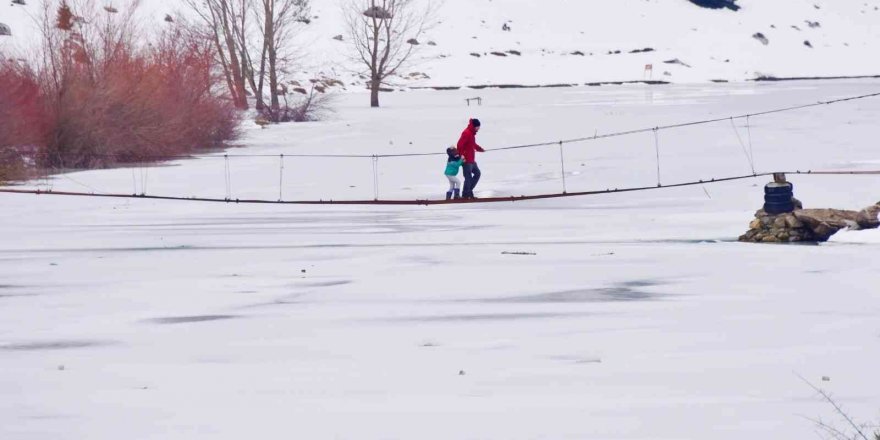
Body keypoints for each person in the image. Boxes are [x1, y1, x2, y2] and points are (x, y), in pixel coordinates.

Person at [456, 118, 485, 199]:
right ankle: (466, 194)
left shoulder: (471, 133)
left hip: (471, 159)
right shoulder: (466, 133)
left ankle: (467, 192)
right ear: (474, 126)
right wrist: (461, 155)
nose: (478, 129)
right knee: (468, 177)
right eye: (478, 127)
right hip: (466, 160)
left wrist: (480, 149)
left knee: (477, 173)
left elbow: (473, 144)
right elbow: (459, 145)